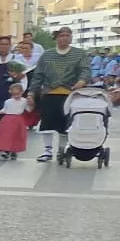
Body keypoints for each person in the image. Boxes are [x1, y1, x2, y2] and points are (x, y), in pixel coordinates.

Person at [30, 26, 91, 162]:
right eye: (62, 35)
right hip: (49, 93)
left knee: (65, 124)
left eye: (67, 35)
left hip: (69, 93)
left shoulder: (79, 54)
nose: (64, 38)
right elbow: (38, 75)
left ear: (71, 37)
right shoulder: (47, 54)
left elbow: (85, 70)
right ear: (57, 38)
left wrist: (81, 81)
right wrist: (31, 93)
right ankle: (47, 151)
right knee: (47, 123)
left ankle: (61, 150)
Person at [0, 83, 31, 158]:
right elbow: (4, 110)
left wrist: (31, 102)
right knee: (6, 136)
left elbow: (29, 110)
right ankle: (6, 151)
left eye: (18, 93)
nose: (16, 96)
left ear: (21, 92)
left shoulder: (24, 101)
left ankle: (14, 151)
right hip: (7, 120)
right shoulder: (8, 101)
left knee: (16, 136)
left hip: (18, 120)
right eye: (14, 94)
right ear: (11, 93)